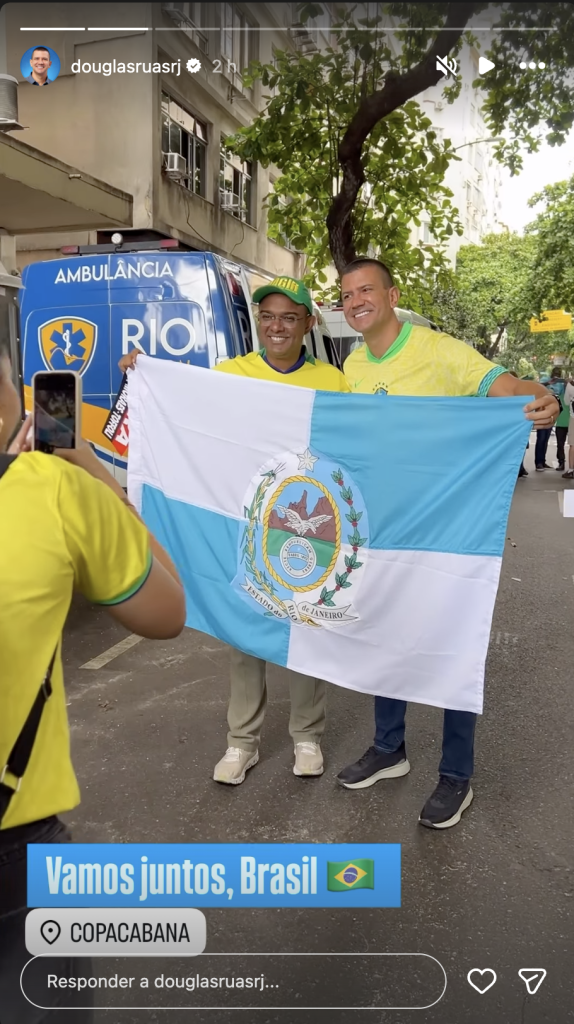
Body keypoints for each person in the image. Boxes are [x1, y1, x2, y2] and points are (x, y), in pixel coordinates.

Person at [0, 331, 186, 1023]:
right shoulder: (50, 491)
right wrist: (89, 472)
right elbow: (167, 608)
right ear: (13, 406)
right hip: (16, 849)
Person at [336, 257, 559, 829]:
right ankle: (390, 749)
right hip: (382, 530)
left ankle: (456, 776)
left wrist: (542, 398)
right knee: (383, 639)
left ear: (391, 294)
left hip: (447, 530)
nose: (355, 300)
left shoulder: (439, 350)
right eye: (346, 293)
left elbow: (507, 387)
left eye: (366, 289)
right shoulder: (354, 363)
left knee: (452, 644)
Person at [119, 276, 350, 785]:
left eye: (289, 317)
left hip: (305, 524)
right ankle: (240, 743)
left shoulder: (334, 381)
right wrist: (145, 375)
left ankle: (306, 735)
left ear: (308, 324)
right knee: (244, 632)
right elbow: (188, 412)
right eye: (267, 316)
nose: (277, 326)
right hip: (243, 522)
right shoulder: (230, 373)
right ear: (257, 323)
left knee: (304, 626)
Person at [562, 376, 574, 479]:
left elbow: (566, 402)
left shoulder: (570, 385)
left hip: (573, 418)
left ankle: (571, 470)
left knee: (573, 445)